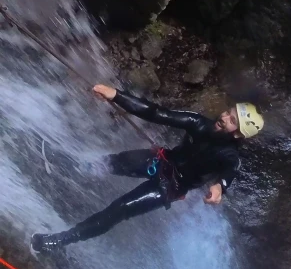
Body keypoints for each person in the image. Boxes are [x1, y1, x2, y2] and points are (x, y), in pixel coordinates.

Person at [31, 84, 265, 253]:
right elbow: (158, 113)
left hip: (170, 187)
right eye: (228, 112)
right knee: (114, 162)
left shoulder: (230, 155)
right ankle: (67, 166)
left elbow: (229, 172)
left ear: (238, 133)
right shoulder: (198, 123)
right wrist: (116, 95)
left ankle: (61, 240)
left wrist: (219, 188)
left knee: (120, 209)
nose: (224, 116)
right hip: (161, 161)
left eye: (232, 120)